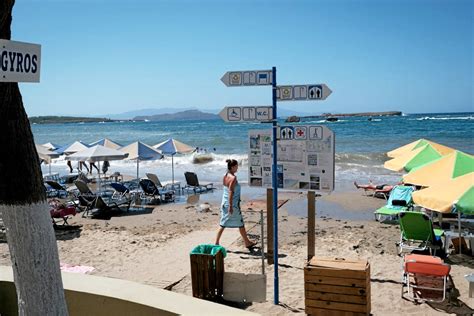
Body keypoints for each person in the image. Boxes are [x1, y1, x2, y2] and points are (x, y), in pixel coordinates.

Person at [215, 159, 256, 250]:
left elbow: (226, 190)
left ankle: (246, 242)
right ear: (232, 167)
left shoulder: (225, 176)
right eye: (236, 166)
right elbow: (230, 192)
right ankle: (247, 242)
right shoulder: (233, 178)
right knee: (238, 223)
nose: (237, 168)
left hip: (224, 203)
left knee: (224, 223)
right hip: (232, 205)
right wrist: (230, 206)